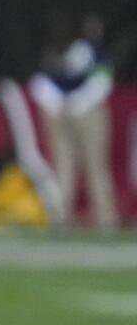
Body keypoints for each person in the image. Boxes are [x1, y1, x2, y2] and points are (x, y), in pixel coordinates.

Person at [28, 16, 119, 230]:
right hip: (59, 113)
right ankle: (60, 218)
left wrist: (77, 103)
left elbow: (103, 78)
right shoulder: (52, 47)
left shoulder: (92, 49)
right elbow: (38, 79)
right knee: (62, 166)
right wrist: (56, 102)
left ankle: (106, 219)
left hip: (87, 111)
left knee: (96, 167)